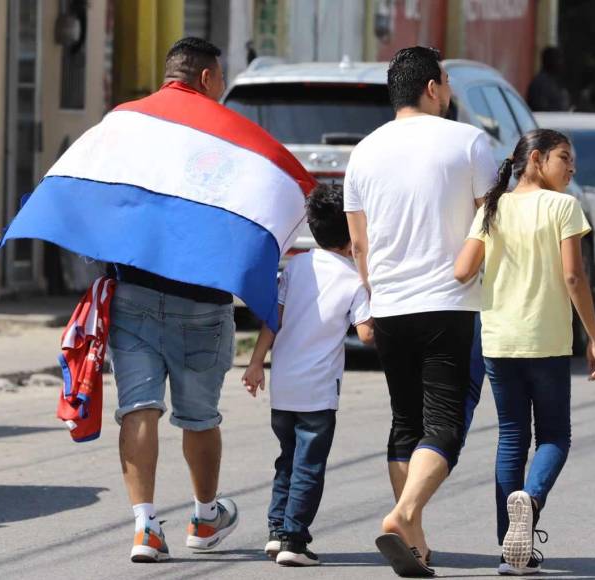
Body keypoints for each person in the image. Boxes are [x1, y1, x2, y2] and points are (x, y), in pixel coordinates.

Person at [344, 46, 498, 577]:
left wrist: (366, 302)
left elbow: (358, 244)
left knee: (406, 420)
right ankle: (403, 513)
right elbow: (490, 225)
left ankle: (415, 538)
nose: (450, 92)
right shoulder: (469, 141)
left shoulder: (363, 152)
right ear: (431, 87)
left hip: (388, 306)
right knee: (445, 425)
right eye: (448, 83)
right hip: (449, 304)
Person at [107, 37, 239, 564]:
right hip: (201, 300)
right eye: (222, 78)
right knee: (199, 417)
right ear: (207, 78)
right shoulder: (226, 135)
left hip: (134, 291)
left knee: (138, 408)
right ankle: (205, 518)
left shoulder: (124, 123)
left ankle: (145, 527)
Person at [454, 129, 595, 575]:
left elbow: (463, 270)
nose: (572, 167)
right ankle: (532, 500)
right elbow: (574, 278)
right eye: (565, 157)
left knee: (511, 438)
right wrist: (594, 337)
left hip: (498, 340)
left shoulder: (493, 208)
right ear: (536, 159)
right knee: (555, 436)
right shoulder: (563, 207)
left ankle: (511, 551)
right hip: (546, 341)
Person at [242, 184, 374, 567]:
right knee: (308, 466)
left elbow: (273, 322)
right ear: (352, 233)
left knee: (287, 459)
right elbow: (367, 334)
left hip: (283, 387)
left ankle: (276, 530)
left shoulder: (294, 268)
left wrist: (255, 363)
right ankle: (294, 540)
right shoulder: (353, 280)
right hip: (318, 392)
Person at [526, 46, 570, 112]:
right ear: (549, 61)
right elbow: (541, 109)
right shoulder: (540, 83)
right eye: (558, 59)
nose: (561, 63)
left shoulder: (553, 81)